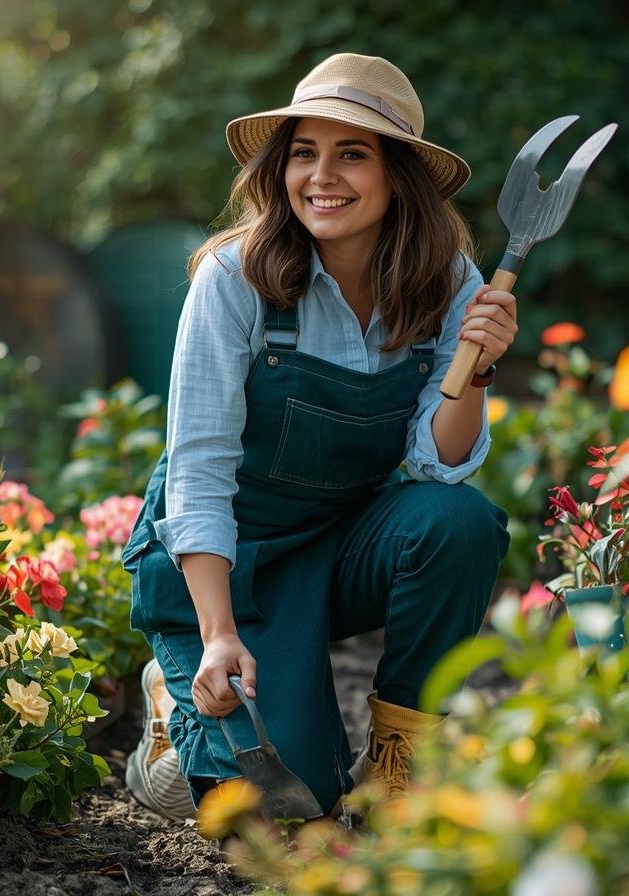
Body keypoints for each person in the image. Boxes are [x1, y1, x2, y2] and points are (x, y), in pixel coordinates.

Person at [122, 52, 513, 821]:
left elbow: (437, 464)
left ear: (399, 175)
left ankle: (401, 759)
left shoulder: (449, 281)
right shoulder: (235, 278)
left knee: (459, 523)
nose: (321, 176)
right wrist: (217, 636)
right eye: (305, 152)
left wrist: (482, 368)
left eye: (352, 154)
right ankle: (172, 705)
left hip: (338, 551)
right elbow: (197, 471)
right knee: (284, 806)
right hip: (226, 565)